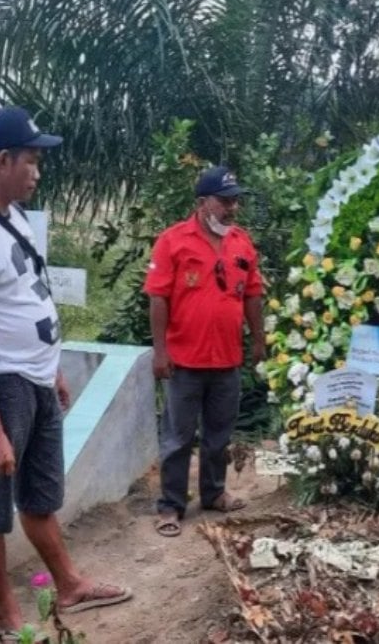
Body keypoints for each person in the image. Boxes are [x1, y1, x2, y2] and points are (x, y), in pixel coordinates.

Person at [0, 106, 131, 641]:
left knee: (41, 494)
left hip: (37, 379)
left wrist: (55, 370)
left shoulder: (16, 217)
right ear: (3, 160)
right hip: (2, 384)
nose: (38, 171)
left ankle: (68, 583)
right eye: (32, 160)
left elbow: (30, 297)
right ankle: (6, 614)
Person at [144, 166, 266, 537]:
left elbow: (253, 294)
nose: (232, 208)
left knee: (219, 434)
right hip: (184, 360)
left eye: (235, 201)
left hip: (227, 360)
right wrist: (160, 351)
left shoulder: (241, 242)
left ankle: (213, 493)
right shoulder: (172, 241)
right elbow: (158, 298)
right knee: (178, 437)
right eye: (225, 201)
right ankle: (171, 506)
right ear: (202, 203)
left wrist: (259, 339)